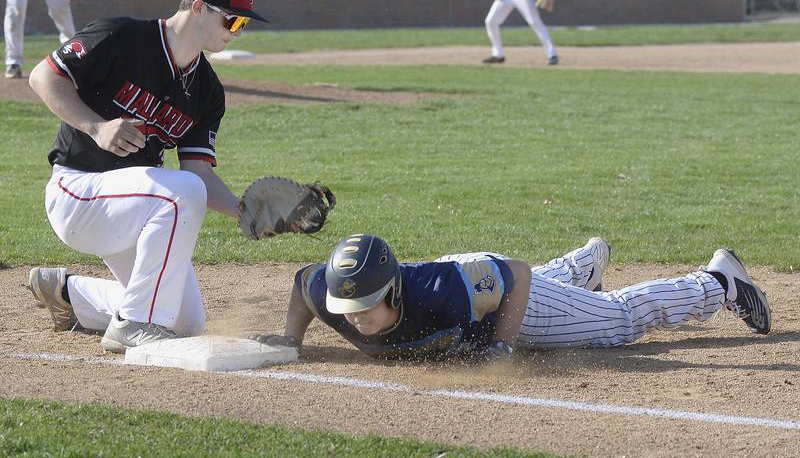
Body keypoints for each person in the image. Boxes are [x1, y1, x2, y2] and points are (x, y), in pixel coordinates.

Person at [24, 0, 269, 354]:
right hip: (78, 190)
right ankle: (135, 323)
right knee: (180, 194)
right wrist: (96, 126)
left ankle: (68, 292)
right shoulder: (121, 36)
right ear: (200, 8)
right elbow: (43, 76)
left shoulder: (207, 91)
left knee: (185, 322)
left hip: (132, 209)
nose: (238, 31)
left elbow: (199, 173)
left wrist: (246, 212)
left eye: (245, 24)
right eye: (233, 18)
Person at [251, 235, 771, 362]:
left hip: (498, 294)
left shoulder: (439, 291)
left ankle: (717, 282)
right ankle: (580, 266)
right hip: (481, 282)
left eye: (366, 305)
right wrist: (290, 337)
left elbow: (516, 278)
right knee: (550, 288)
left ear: (390, 290)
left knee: (617, 322)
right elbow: (303, 282)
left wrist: (501, 345)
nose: (355, 318)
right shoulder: (335, 293)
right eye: (347, 308)